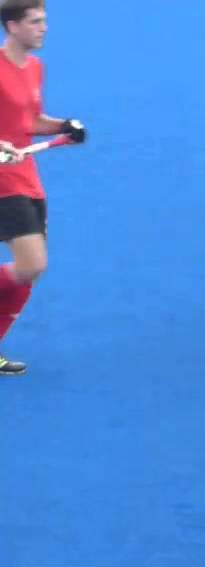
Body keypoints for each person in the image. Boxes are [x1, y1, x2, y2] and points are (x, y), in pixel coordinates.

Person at [0, 0, 86, 376]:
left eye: (45, 21)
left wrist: (64, 126)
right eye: (36, 21)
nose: (44, 28)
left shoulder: (35, 68)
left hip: (28, 178)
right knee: (34, 263)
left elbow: (29, 119)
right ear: (13, 26)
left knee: (29, 272)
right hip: (3, 181)